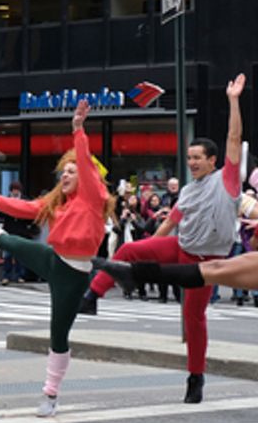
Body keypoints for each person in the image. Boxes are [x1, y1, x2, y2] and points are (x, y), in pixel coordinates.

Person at [86, 75, 245, 404]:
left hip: (208, 262)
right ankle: (92, 296)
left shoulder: (226, 181)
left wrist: (233, 100)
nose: (192, 162)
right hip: (180, 248)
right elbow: (167, 227)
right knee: (129, 248)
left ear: (213, 161)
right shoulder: (186, 191)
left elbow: (234, 136)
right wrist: (151, 255)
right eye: (189, 158)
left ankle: (195, 378)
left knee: (194, 317)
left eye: (197, 157)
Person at [0, 99, 113, 417]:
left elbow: (85, 163)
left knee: (59, 334)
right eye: (63, 172)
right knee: (12, 242)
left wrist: (78, 129)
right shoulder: (58, 203)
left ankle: (51, 394)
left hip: (74, 274)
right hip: (54, 259)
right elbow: (24, 208)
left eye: (72, 171)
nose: (66, 175)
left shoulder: (92, 196)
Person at [0, 181, 37, 285]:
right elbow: (0, 215)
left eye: (17, 190)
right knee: (8, 255)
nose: (15, 192)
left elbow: (30, 216)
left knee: (20, 254)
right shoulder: (6, 200)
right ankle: (6, 276)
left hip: (21, 230)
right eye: (13, 190)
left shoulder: (25, 200)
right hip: (10, 230)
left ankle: (20, 275)